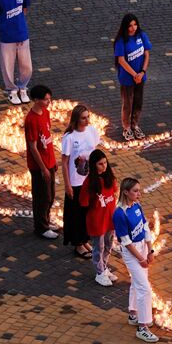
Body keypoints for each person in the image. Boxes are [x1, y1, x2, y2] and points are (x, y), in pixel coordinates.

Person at [113, 177, 159, 343]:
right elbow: (125, 241)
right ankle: (143, 326)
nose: (139, 194)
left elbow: (145, 228)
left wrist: (150, 250)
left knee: (137, 282)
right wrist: (141, 259)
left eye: (139, 190)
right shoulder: (120, 213)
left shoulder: (137, 206)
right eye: (135, 191)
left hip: (142, 248)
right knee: (144, 288)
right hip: (131, 253)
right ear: (126, 192)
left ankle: (133, 313)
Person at [60, 104, 101, 258]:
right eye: (83, 118)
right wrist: (67, 185)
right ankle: (77, 243)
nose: (87, 120)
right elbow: (64, 162)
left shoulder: (92, 131)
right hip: (76, 182)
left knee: (87, 212)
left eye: (88, 117)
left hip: (89, 179)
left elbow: (95, 153)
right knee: (76, 213)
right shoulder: (69, 137)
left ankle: (84, 239)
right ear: (76, 119)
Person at [24, 85, 58, 239]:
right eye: (45, 99)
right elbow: (32, 147)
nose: (48, 102)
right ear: (36, 100)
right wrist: (43, 168)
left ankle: (47, 221)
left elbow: (48, 140)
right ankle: (41, 227)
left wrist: (53, 159)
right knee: (42, 197)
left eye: (49, 99)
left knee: (50, 195)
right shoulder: (31, 120)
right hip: (39, 166)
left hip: (49, 162)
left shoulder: (46, 113)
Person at [80, 149, 118, 286]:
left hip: (110, 220)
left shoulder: (109, 178)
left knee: (108, 246)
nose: (104, 166)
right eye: (100, 164)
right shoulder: (89, 182)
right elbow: (83, 202)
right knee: (98, 248)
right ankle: (99, 273)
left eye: (105, 163)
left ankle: (104, 267)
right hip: (97, 221)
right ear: (93, 165)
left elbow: (114, 192)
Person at [113, 13, 151, 140]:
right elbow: (121, 61)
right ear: (125, 26)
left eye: (135, 24)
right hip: (127, 78)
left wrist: (143, 72)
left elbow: (146, 54)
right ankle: (127, 127)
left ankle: (135, 125)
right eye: (130, 25)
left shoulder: (142, 36)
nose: (133, 28)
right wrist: (135, 74)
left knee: (138, 102)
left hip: (141, 77)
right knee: (128, 103)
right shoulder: (121, 41)